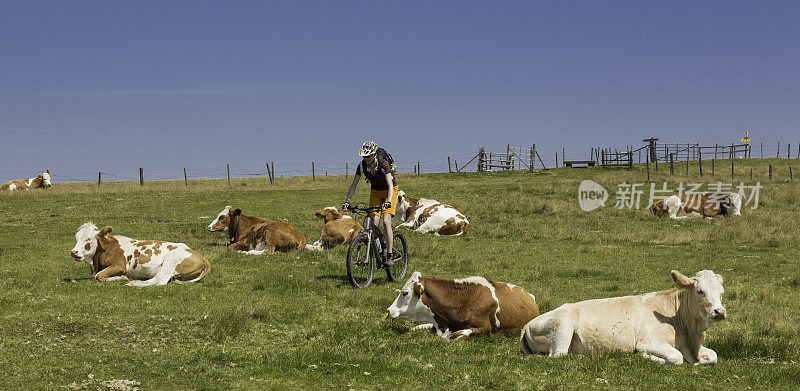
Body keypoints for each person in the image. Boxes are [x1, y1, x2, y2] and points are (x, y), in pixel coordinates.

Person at [342, 141, 399, 266]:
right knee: (373, 223)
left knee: (386, 220)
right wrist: (347, 202)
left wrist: (388, 202)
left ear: (374, 155)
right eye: (364, 156)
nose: (366, 159)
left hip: (390, 192)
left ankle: (389, 255)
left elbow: (390, 185)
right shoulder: (362, 166)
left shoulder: (383, 164)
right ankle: (382, 244)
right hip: (376, 192)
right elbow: (353, 185)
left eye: (368, 156)